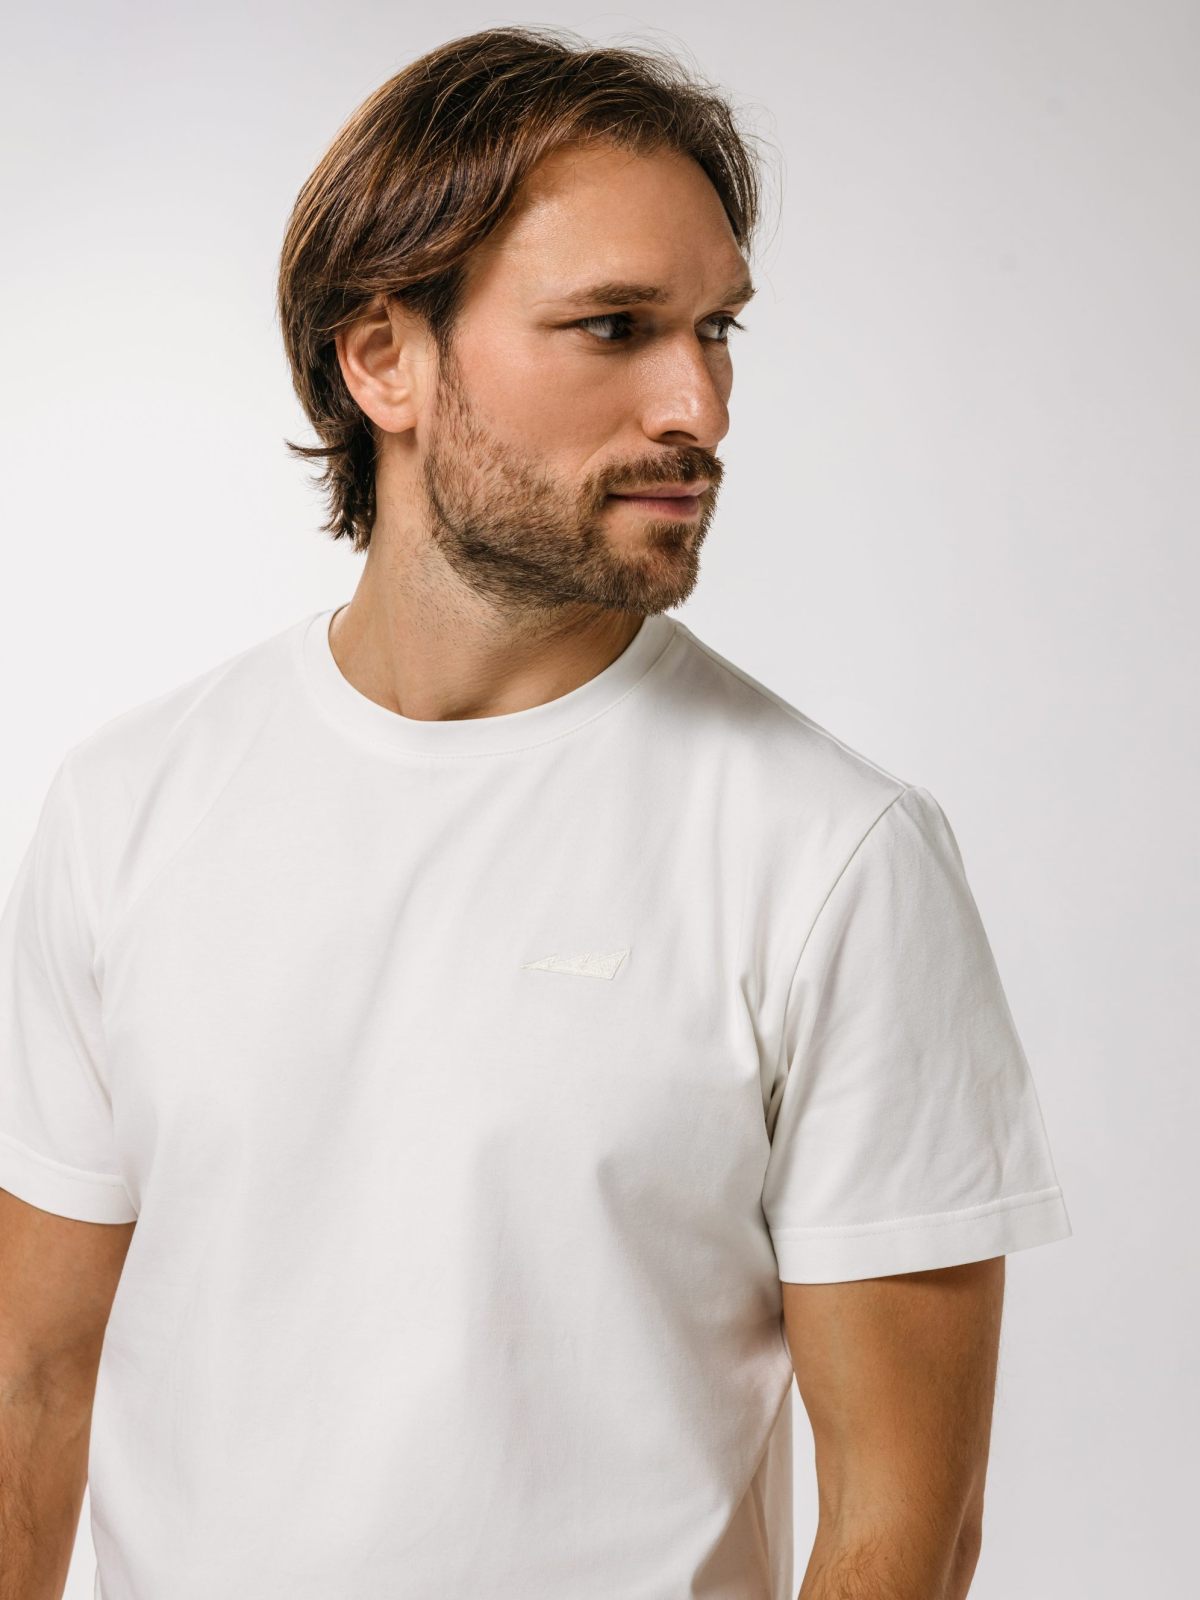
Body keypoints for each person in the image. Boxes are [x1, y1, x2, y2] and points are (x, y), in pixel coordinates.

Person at [0, 25, 1072, 1600]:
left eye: (716, 330)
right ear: (385, 359)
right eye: (614, 328)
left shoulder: (834, 856)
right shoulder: (126, 809)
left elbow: (903, 1526)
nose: (697, 405)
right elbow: (32, 1389)